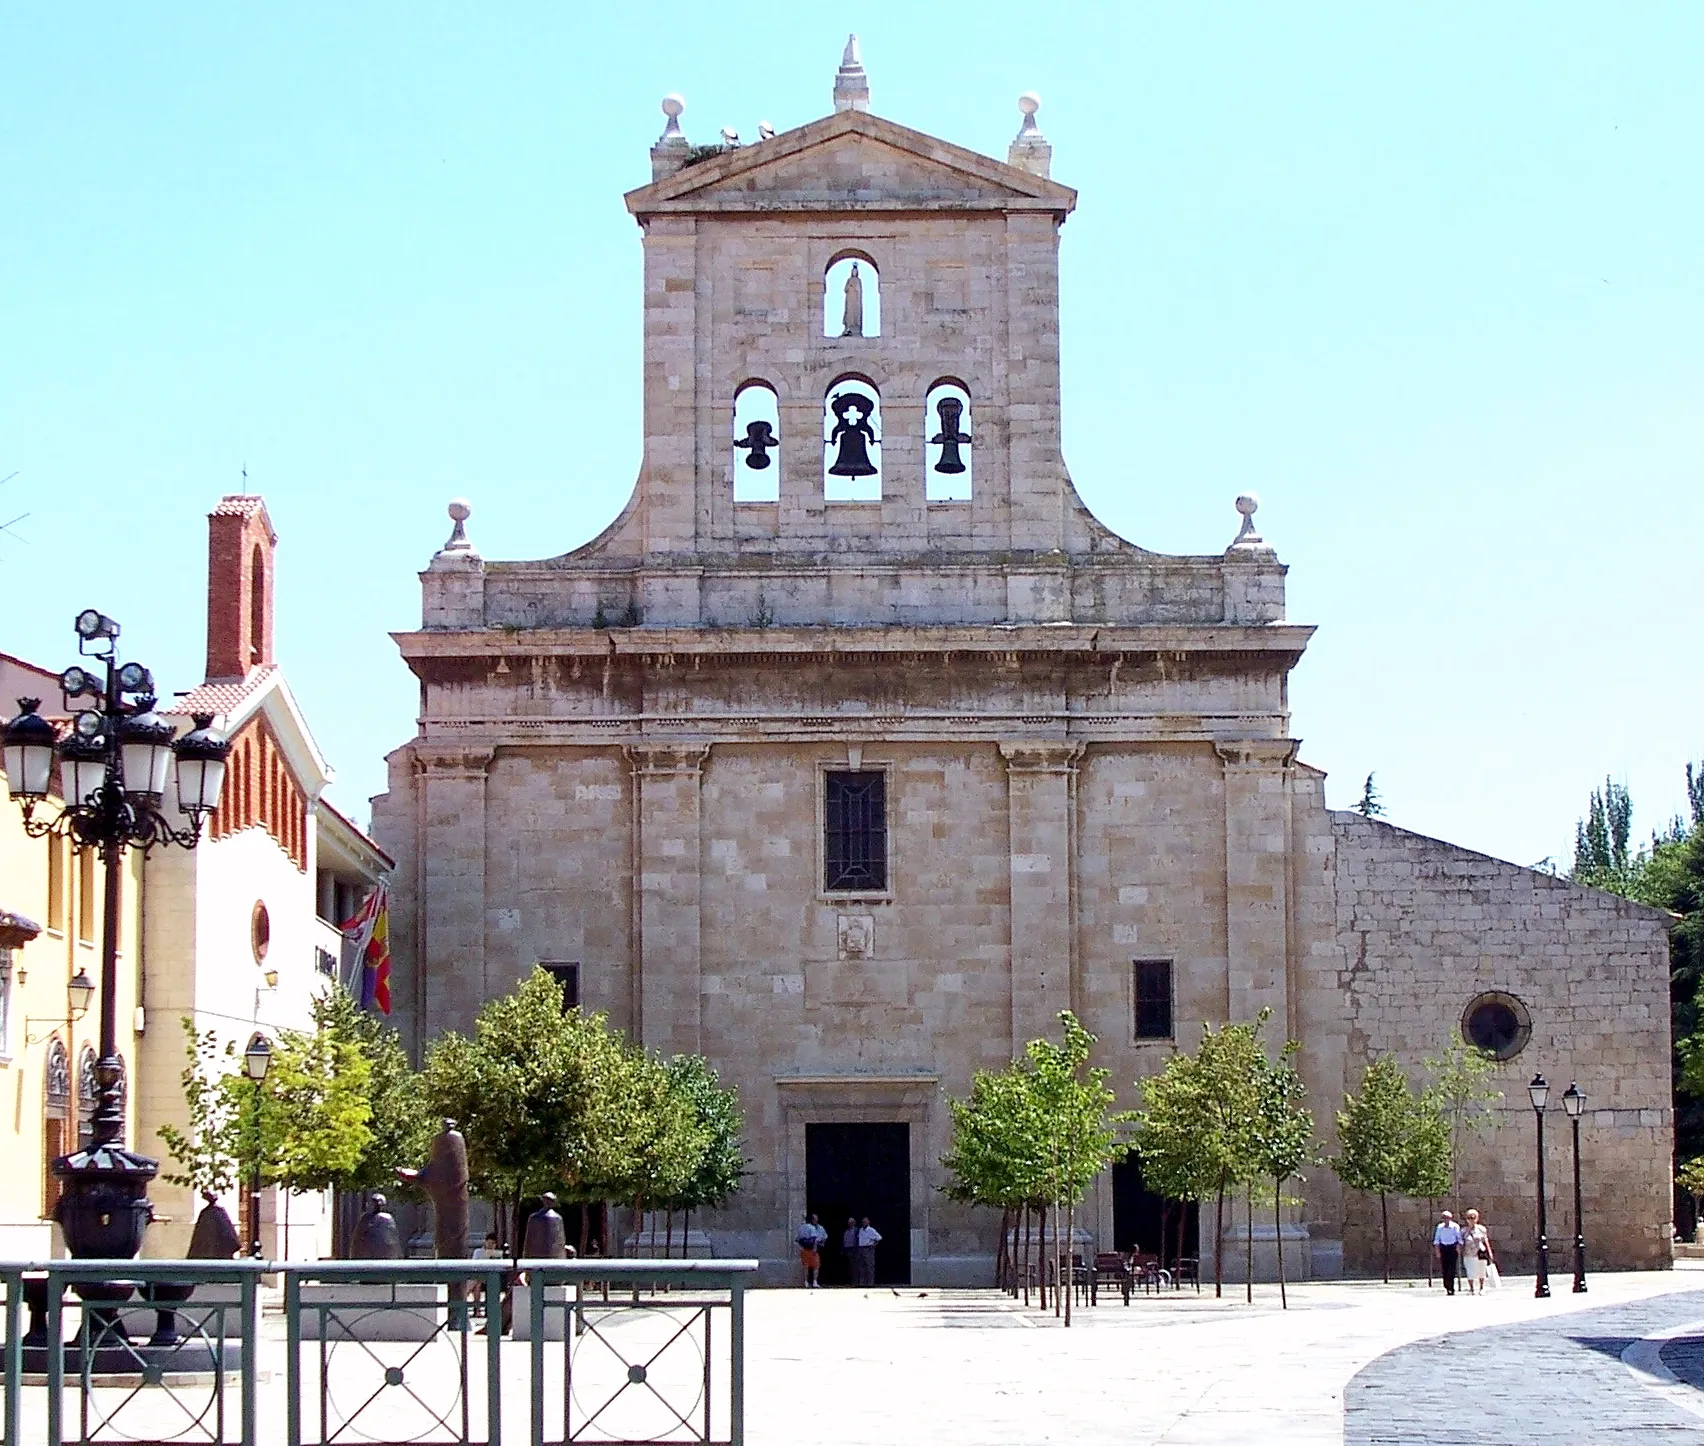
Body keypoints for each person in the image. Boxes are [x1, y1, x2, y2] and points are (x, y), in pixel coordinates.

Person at [1461, 1209, 1495, 1294]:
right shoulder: (1463, 1231)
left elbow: (1485, 1241)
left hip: (1480, 1253)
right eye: (1469, 1218)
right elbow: (1461, 1242)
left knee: (1481, 1271)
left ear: (1477, 1218)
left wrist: (1490, 1252)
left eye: (1473, 1217)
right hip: (1469, 1253)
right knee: (1470, 1271)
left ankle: (1481, 1288)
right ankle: (1471, 1288)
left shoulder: (1481, 1229)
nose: (1471, 1220)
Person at [1432, 1210, 1463, 1295]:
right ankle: (1446, 1286)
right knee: (1445, 1269)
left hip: (1452, 1248)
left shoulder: (1455, 1226)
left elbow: (1459, 1239)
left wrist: (1458, 1248)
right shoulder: (1440, 1227)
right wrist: (1437, 1251)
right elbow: (1437, 1240)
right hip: (1443, 1248)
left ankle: (1451, 1288)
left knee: (1452, 1269)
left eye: (1448, 1218)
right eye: (1444, 1218)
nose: (1446, 1220)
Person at [796, 1213, 827, 1288]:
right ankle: (814, 1282)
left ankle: (806, 1282)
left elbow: (797, 1239)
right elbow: (815, 1239)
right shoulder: (812, 1228)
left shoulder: (801, 1228)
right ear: (812, 1220)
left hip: (803, 1249)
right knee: (816, 1266)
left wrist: (801, 1247)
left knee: (806, 1266)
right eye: (815, 1219)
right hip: (812, 1249)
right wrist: (815, 1248)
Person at [856, 1216, 882, 1288]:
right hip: (861, 1248)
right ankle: (862, 1283)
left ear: (868, 1222)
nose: (864, 1223)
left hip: (868, 1249)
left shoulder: (871, 1230)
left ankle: (870, 1283)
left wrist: (873, 1245)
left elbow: (879, 1238)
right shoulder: (860, 1230)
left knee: (869, 1266)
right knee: (861, 1267)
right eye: (863, 1222)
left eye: (865, 1221)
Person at [841, 1218, 860, 1287]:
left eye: (852, 1222)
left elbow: (858, 1240)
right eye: (849, 1222)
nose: (850, 1223)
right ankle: (851, 1281)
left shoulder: (857, 1230)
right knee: (849, 1267)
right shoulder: (846, 1231)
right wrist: (842, 1250)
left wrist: (857, 1249)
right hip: (847, 1250)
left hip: (854, 1250)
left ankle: (856, 1282)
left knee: (855, 1266)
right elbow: (844, 1240)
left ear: (854, 1223)